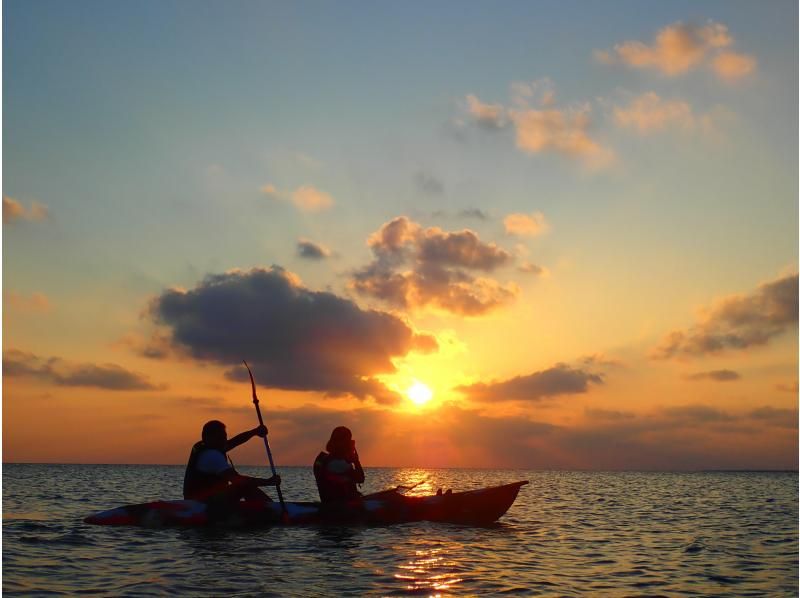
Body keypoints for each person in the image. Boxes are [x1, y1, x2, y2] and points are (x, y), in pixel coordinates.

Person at [183, 420, 281, 511]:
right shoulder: (211, 456)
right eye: (220, 438)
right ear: (208, 437)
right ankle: (273, 510)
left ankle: (267, 508)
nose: (224, 440)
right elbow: (237, 480)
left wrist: (255, 432)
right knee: (244, 486)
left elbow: (235, 441)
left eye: (224, 436)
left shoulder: (208, 446)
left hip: (203, 500)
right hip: (202, 505)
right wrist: (268, 482)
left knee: (245, 485)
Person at [313, 426, 365, 504]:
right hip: (340, 508)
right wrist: (356, 461)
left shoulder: (324, 459)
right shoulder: (334, 463)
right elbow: (360, 479)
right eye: (348, 440)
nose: (350, 443)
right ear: (341, 442)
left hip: (335, 506)